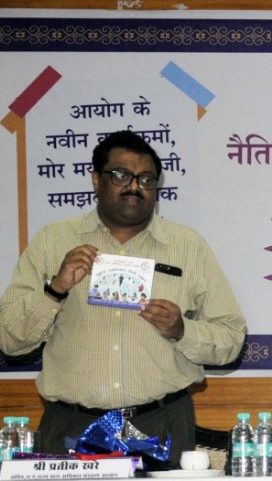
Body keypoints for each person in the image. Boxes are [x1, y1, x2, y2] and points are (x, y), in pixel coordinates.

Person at [0, 130, 247, 458]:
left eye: (146, 179)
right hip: (71, 427)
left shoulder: (188, 246)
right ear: (96, 179)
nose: (134, 187)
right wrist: (55, 289)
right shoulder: (52, 240)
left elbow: (231, 339)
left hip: (162, 423)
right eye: (121, 175)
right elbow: (10, 340)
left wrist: (182, 330)